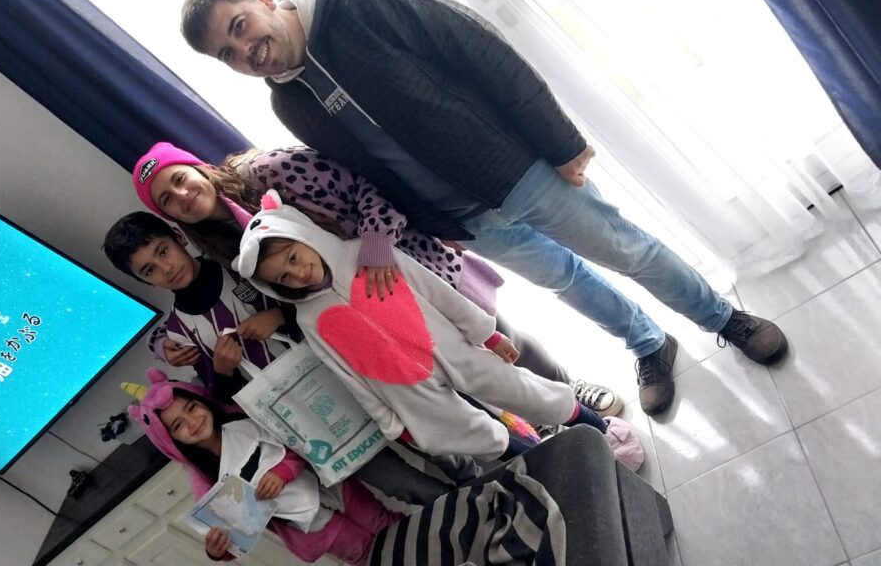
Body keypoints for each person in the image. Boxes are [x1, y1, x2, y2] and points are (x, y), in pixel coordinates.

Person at [178, 0, 789, 415]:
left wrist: (559, 140)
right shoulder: (288, 103)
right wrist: (432, 222)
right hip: (466, 220)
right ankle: (648, 343)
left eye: (239, 27)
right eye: (226, 53)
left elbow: (478, 48)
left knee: (627, 251)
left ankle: (722, 320)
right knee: (566, 281)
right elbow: (368, 170)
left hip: (521, 171)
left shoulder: (357, 5)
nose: (245, 50)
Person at [132, 141, 623, 417]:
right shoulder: (218, 244)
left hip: (400, 259)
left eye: (179, 179)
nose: (183, 195)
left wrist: (373, 251)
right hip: (364, 308)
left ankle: (571, 389)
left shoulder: (271, 169)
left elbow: (368, 190)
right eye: (168, 200)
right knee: (463, 371)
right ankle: (551, 416)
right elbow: (279, 287)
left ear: (194, 166)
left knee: (493, 332)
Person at [102, 210, 476, 504]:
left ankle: (484, 481)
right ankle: (469, 516)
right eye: (150, 269)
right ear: (143, 280)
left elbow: (316, 287)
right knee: (397, 481)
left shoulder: (238, 264)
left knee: (433, 438)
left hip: (354, 373)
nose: (166, 268)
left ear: (179, 237)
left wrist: (280, 316)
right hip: (313, 418)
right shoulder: (179, 334)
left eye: (163, 251)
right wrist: (222, 370)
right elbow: (221, 398)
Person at [234, 189, 617, 461]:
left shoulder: (366, 256)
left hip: (456, 350)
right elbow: (348, 374)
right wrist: (390, 423)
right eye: (284, 278)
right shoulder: (309, 319)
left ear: (305, 236)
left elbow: (439, 294)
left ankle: (601, 430)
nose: (298, 274)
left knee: (526, 391)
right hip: (407, 389)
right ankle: (551, 466)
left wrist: (488, 334)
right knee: (473, 436)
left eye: (294, 257)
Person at [123, 368, 401, 565]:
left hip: (335, 488)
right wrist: (219, 551)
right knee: (364, 554)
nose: (191, 422)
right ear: (171, 441)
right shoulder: (202, 480)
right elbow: (235, 530)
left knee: (386, 524)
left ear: (202, 401)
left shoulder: (241, 419)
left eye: (191, 408)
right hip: (312, 527)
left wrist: (283, 472)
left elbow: (295, 441)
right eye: (177, 425)